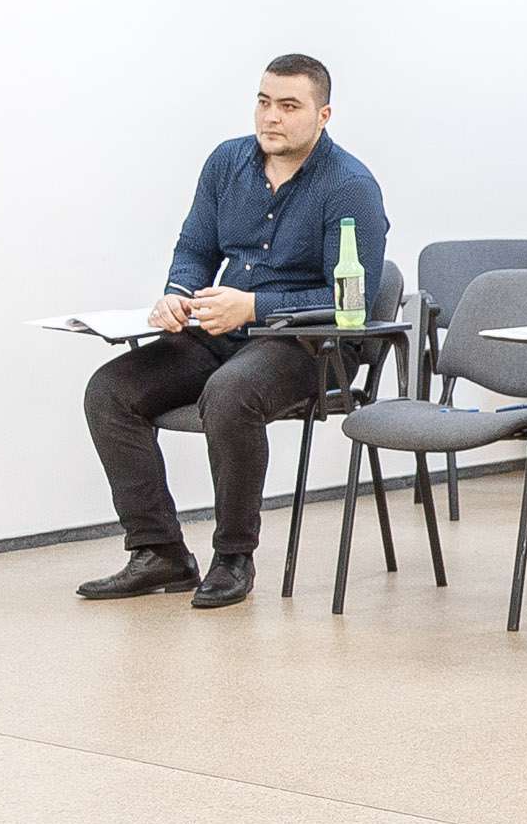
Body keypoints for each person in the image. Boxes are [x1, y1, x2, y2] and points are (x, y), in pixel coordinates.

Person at [77, 55, 390, 611]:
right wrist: (177, 294)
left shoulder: (350, 186)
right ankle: (158, 551)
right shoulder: (227, 163)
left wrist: (254, 306)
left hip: (308, 344)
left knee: (229, 393)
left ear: (323, 115)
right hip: (220, 329)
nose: (271, 117)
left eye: (288, 106)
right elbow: (195, 249)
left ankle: (233, 558)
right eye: (264, 102)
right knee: (111, 390)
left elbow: (352, 303)